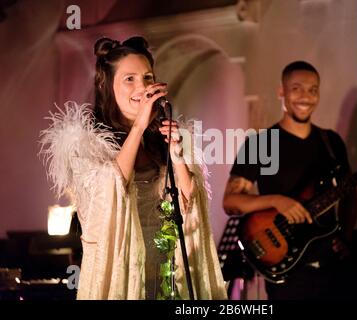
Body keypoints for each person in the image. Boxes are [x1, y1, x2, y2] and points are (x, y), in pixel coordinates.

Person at [40, 36, 227, 300]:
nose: (142, 87)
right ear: (108, 86)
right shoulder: (85, 143)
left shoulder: (167, 134)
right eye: (130, 79)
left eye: (148, 78)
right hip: (123, 274)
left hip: (167, 271)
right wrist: (138, 126)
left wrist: (177, 155)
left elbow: (191, 205)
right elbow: (108, 193)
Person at [222, 61, 357, 300]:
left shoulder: (331, 142)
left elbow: (348, 195)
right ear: (281, 92)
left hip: (331, 267)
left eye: (313, 89)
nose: (306, 96)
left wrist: (346, 235)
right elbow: (231, 201)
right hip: (288, 274)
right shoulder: (260, 144)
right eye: (296, 88)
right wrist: (277, 201)